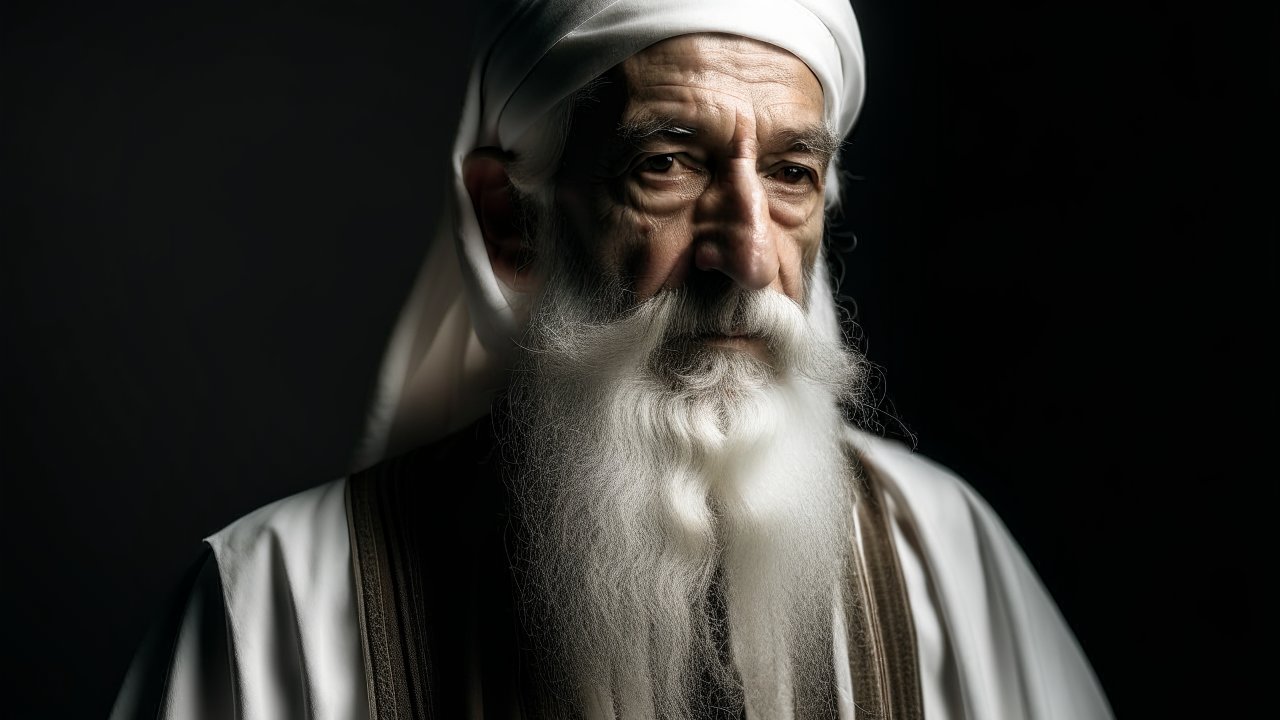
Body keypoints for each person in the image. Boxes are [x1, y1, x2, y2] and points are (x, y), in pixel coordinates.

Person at [111, 1, 1113, 718]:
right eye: (665, 165)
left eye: (790, 174)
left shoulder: (943, 557)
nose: (747, 255)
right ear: (511, 220)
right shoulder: (272, 600)